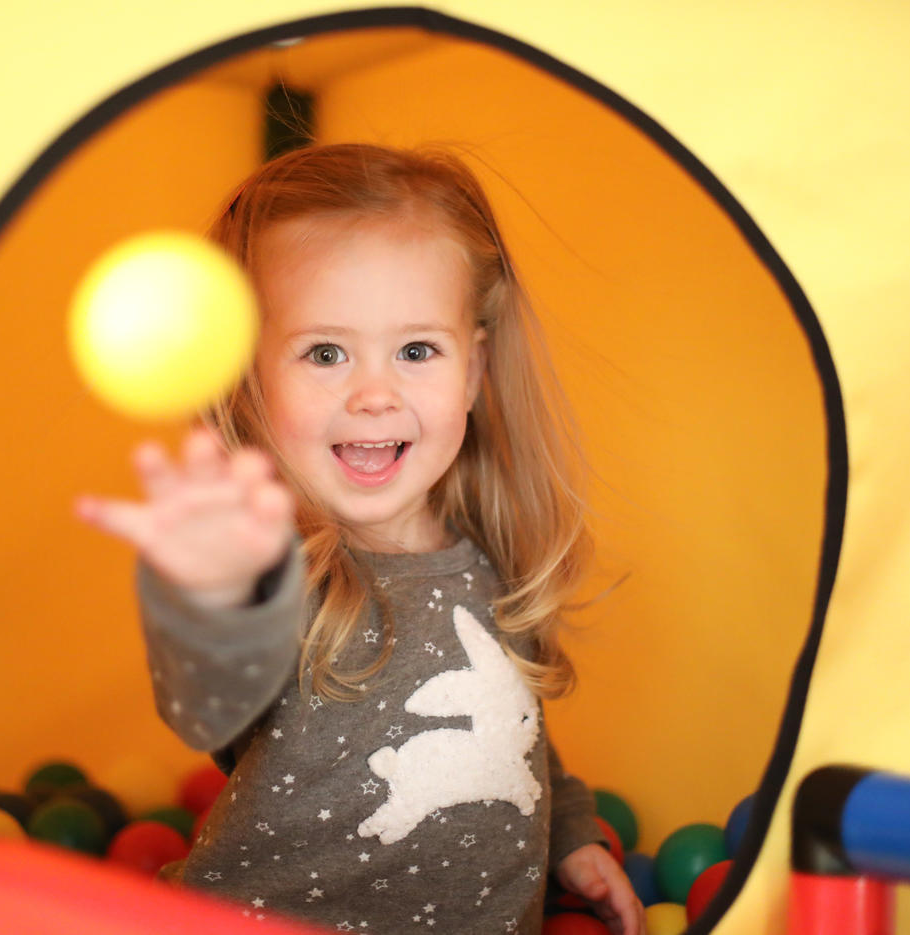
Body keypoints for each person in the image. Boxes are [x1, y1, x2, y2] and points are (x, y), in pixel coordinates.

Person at [77, 143, 643, 935]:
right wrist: (212, 594)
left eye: (417, 351)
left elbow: (507, 731)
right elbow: (202, 707)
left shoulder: (488, 554)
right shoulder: (285, 569)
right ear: (251, 379)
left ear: (474, 371)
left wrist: (572, 836)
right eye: (326, 352)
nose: (374, 394)